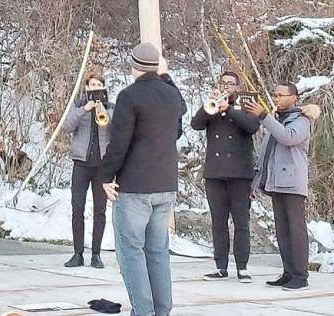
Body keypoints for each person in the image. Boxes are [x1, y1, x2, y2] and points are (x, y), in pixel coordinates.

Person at [99, 43, 187, 316]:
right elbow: (177, 133)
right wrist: (166, 75)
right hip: (165, 185)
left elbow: (119, 142)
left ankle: (143, 312)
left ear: (134, 66)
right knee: (158, 252)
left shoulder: (129, 96)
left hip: (135, 187)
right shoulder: (173, 96)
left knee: (132, 252)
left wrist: (105, 175)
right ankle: (162, 310)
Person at [245, 83, 315, 291]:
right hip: (277, 181)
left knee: (296, 230)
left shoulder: (303, 119)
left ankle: (301, 276)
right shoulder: (277, 119)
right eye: (274, 95)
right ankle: (288, 272)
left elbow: (288, 137)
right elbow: (265, 152)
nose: (276, 98)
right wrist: (256, 181)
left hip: (292, 182)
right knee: (283, 231)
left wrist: (265, 116)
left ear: (294, 97)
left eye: (281, 95)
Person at [191, 71, 260, 282]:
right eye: (223, 83)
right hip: (215, 173)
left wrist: (229, 109)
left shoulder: (247, 104)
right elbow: (196, 124)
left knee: (241, 221)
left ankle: (242, 267)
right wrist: (209, 106)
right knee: (218, 222)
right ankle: (221, 266)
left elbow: (252, 126)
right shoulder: (212, 104)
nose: (226, 86)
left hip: (240, 173)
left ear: (238, 87)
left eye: (231, 83)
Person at [62, 73, 114, 268]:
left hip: (102, 166)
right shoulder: (78, 105)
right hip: (81, 164)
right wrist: (85, 109)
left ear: (103, 88)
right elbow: (67, 126)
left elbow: (115, 130)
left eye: (98, 84)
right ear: (86, 88)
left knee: (100, 211)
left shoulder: (111, 107)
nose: (95, 87)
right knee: (78, 208)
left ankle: (96, 254)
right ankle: (77, 253)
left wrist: (103, 111)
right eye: (92, 85)